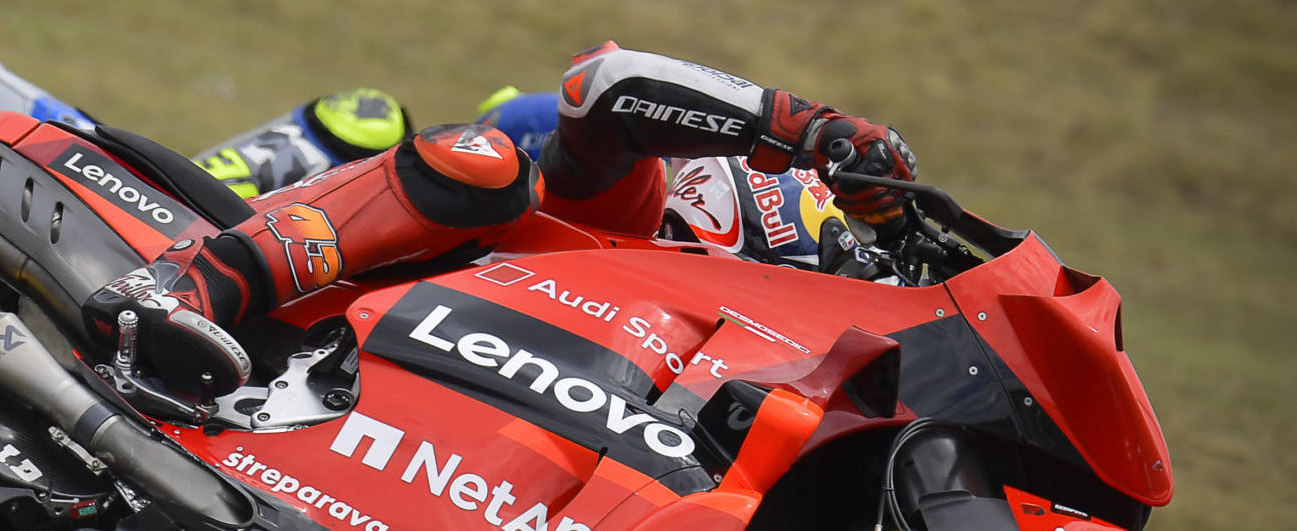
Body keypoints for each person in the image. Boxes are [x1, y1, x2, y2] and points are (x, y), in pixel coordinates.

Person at [84, 42, 916, 408]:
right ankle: (181, 287)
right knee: (480, 163)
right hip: (273, 276)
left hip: (379, 417)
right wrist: (810, 128)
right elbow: (608, 82)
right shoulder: (624, 214)